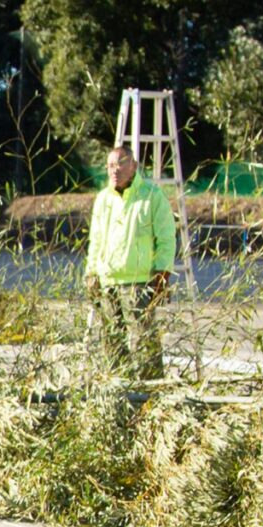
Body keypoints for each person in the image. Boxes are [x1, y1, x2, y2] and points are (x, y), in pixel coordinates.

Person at [84, 143, 177, 379]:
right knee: (112, 344)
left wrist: (162, 272)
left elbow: (166, 238)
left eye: (121, 163)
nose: (115, 170)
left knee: (143, 342)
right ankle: (118, 390)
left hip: (139, 281)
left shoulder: (151, 196)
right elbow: (95, 239)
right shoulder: (103, 199)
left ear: (134, 166)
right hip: (107, 281)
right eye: (111, 166)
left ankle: (149, 393)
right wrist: (91, 272)